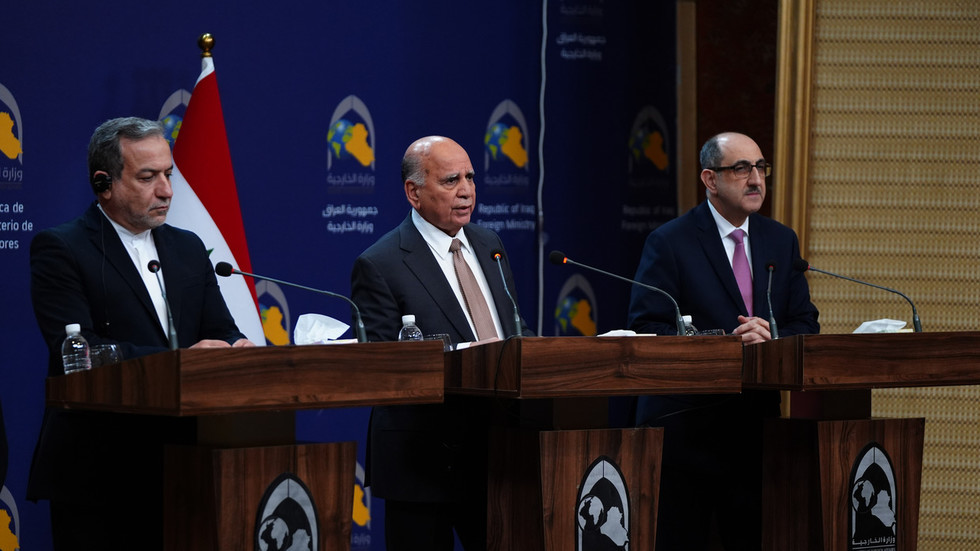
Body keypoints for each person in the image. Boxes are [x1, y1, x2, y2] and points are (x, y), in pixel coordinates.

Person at [28, 117, 254, 550]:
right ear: (104, 183)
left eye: (168, 174)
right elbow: (78, 353)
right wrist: (180, 361)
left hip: (186, 464)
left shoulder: (187, 247)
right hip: (100, 470)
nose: (167, 190)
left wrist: (237, 349)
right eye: (148, 177)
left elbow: (221, 330)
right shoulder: (62, 249)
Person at [627, 132, 819, 550]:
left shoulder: (779, 240)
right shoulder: (670, 241)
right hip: (685, 433)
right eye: (741, 169)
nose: (756, 179)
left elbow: (805, 323)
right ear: (710, 180)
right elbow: (647, 328)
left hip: (755, 432)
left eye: (760, 167)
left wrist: (773, 335)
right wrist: (723, 344)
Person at [351, 136, 532, 550]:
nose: (466, 190)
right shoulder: (380, 264)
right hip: (423, 463)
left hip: (499, 454)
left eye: (470, 177)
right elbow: (383, 370)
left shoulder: (490, 246)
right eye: (451, 180)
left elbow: (511, 333)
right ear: (414, 193)